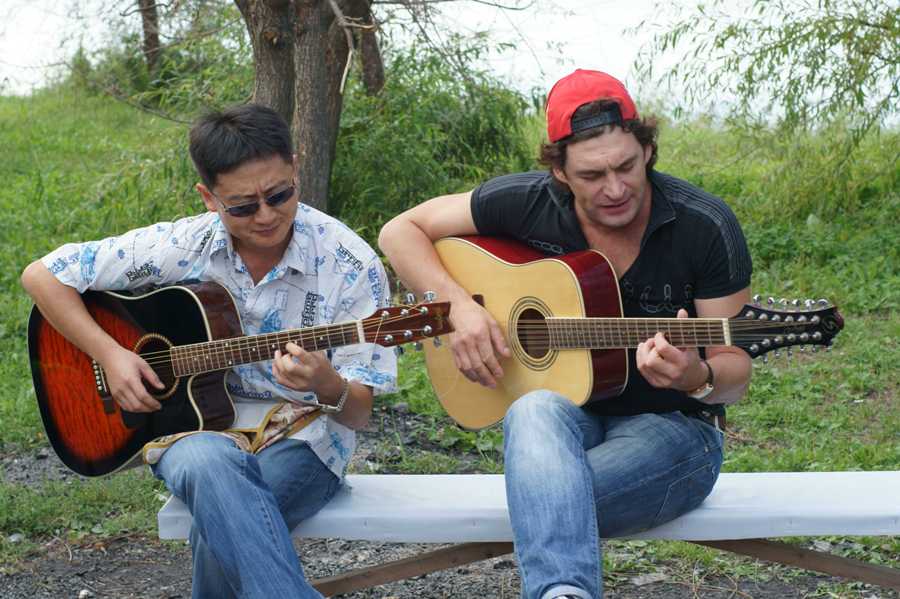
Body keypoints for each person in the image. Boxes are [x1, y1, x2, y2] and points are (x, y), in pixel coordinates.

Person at [378, 69, 753, 599]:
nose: (615, 188)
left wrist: (697, 375)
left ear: (647, 149)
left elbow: (736, 374)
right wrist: (458, 308)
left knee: (549, 498)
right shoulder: (528, 202)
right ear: (559, 171)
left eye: (626, 166)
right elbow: (399, 232)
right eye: (592, 175)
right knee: (533, 410)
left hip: (674, 431)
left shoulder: (704, 224)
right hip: (563, 421)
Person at [21, 104, 397, 598]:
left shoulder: (350, 265)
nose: (267, 215)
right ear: (208, 197)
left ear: (295, 168)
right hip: (194, 431)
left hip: (305, 439)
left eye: (279, 194)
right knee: (208, 465)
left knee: (219, 522)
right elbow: (42, 275)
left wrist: (327, 385)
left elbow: (360, 414)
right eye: (242, 206)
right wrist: (111, 355)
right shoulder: (184, 244)